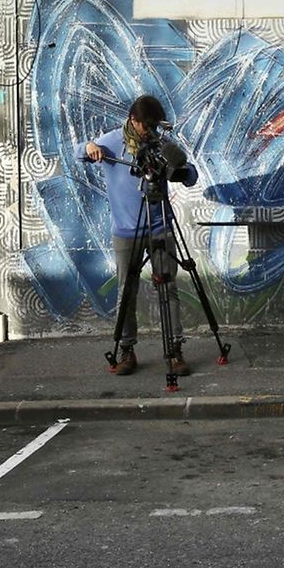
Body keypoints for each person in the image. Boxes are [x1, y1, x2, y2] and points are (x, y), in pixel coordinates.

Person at [76, 95, 198, 376]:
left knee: (168, 290)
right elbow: (77, 152)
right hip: (126, 232)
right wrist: (89, 146)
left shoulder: (159, 143)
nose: (151, 132)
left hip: (160, 227)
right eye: (147, 127)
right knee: (126, 293)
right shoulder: (112, 141)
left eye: (155, 127)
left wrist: (181, 172)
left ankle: (175, 351)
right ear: (134, 120)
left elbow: (191, 174)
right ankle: (126, 350)